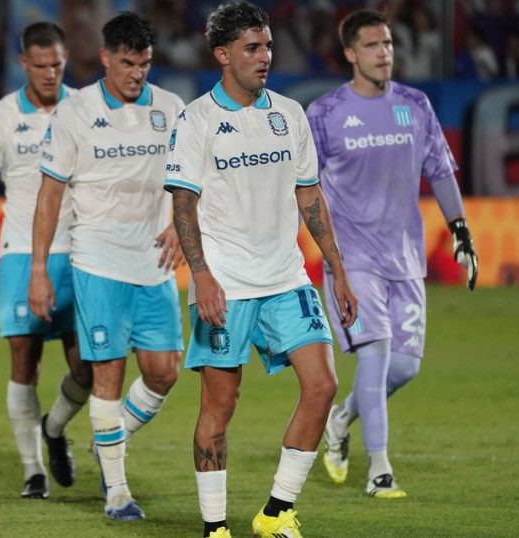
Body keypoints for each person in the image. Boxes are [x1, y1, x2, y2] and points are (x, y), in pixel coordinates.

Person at [164, 3, 359, 537]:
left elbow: (309, 195)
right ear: (222, 54)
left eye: (268, 46)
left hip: (287, 278)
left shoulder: (290, 115)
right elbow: (182, 206)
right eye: (253, 48)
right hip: (225, 284)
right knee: (219, 407)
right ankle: (214, 528)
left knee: (322, 385)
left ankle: (276, 512)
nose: (265, 57)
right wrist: (201, 275)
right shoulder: (197, 120)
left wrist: (338, 268)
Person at [306, 8, 478, 499]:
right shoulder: (326, 114)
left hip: (405, 258)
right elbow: (306, 187)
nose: (384, 54)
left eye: (388, 45)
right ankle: (379, 469)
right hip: (352, 261)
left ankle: (340, 420)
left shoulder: (415, 105)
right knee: (376, 357)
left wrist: (460, 229)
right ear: (349, 54)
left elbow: (440, 170)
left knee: (404, 368)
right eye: (372, 46)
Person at [29, 11, 186, 521]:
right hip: (97, 259)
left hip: (155, 261)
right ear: (105, 59)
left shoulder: (171, 108)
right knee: (108, 375)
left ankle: (107, 440)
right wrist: (37, 269)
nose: (136, 74)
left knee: (164, 373)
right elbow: (50, 195)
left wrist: (185, 225)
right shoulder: (75, 113)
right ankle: (117, 492)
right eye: (126, 63)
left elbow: (192, 180)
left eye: (143, 64)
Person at [0, 21, 92, 500]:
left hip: (80, 249)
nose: (50, 73)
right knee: (25, 358)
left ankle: (55, 426)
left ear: (65, 60)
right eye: (40, 65)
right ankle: (32, 471)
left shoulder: (84, 108)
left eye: (57, 64)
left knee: (86, 365)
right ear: (24, 64)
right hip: (20, 251)